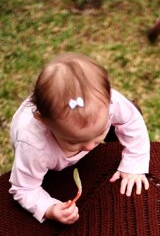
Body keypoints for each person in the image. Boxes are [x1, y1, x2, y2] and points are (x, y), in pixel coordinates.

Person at [9, 53, 150, 225]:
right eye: (73, 142)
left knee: (128, 112)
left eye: (99, 134)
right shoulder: (33, 147)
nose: (90, 147)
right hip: (43, 155)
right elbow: (24, 188)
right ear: (44, 122)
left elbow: (132, 120)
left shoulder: (110, 102)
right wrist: (49, 208)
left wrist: (134, 163)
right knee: (38, 171)